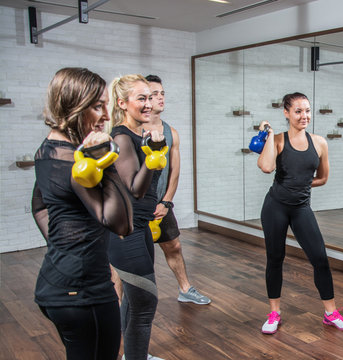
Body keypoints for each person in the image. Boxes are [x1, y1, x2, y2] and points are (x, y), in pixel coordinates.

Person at [31, 67, 133, 360]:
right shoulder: (74, 161)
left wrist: (66, 248)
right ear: (74, 105)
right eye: (97, 106)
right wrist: (107, 159)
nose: (105, 115)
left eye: (106, 105)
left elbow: (38, 207)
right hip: (84, 294)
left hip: (54, 284)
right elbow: (122, 224)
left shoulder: (49, 151)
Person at [256, 92, 343, 334]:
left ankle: (331, 313)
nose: (304, 116)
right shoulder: (278, 140)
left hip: (301, 208)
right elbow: (266, 167)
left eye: (307, 110)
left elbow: (322, 178)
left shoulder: (320, 143)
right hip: (275, 207)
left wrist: (300, 184)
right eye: (298, 111)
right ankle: (274, 313)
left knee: (320, 258)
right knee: (275, 259)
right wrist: (268, 136)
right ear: (286, 113)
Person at [108, 74, 165, 360]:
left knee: (134, 302)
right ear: (122, 103)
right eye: (141, 98)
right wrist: (153, 158)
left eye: (150, 97)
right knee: (145, 304)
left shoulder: (138, 134)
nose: (148, 104)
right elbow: (136, 189)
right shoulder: (121, 136)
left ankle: (133, 356)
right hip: (125, 233)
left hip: (140, 227)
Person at [143, 74, 211, 305]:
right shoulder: (130, 131)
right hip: (134, 205)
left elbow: (174, 171)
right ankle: (116, 302)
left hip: (161, 203)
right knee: (128, 257)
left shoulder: (171, 132)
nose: (160, 98)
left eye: (162, 93)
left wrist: (166, 202)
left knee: (174, 246)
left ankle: (185, 289)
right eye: (154, 94)